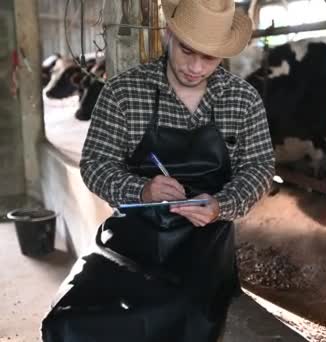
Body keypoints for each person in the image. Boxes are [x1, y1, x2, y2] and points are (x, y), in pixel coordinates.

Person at [41, 0, 274, 341]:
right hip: (130, 238)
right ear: (169, 34)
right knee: (67, 321)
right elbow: (95, 164)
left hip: (204, 244)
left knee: (186, 319)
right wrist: (141, 190)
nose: (195, 67)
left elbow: (259, 168)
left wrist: (222, 205)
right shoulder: (123, 91)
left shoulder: (242, 99)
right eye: (187, 50)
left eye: (208, 58)